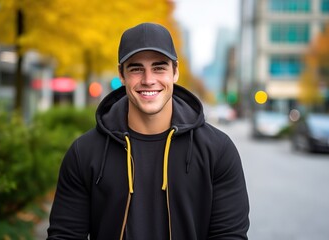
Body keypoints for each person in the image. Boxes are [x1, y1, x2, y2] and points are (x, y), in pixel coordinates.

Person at [47, 22, 250, 240]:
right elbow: (65, 236)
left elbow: (229, 236)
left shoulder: (218, 151)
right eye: (136, 68)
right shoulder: (84, 152)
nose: (148, 80)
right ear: (122, 75)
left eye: (159, 67)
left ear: (175, 72)